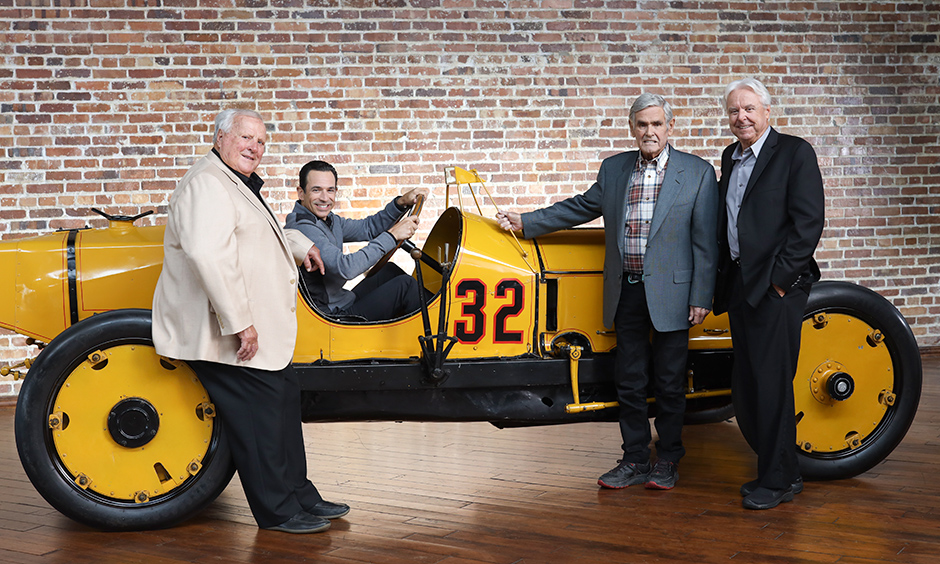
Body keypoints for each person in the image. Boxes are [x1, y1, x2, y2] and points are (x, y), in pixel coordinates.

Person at [496, 93, 718, 490]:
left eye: (656, 124)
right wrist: (527, 221)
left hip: (673, 294)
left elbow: (706, 241)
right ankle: (634, 459)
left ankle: (667, 459)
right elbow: (580, 207)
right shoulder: (614, 169)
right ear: (632, 128)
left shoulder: (698, 172)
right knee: (629, 379)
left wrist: (701, 296)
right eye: (641, 124)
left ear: (670, 127)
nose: (649, 131)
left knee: (668, 382)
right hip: (626, 291)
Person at [152, 109, 349, 534]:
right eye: (245, 138)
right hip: (224, 331)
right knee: (259, 419)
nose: (254, 148)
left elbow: (254, 233)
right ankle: (277, 512)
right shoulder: (207, 183)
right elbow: (209, 255)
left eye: (261, 142)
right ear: (221, 137)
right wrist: (241, 323)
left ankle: (299, 495)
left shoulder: (231, 181)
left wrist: (298, 245)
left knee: (282, 403)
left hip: (257, 331)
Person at [713, 78, 825, 510]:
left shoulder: (795, 153)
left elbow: (808, 223)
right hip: (741, 284)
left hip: (777, 288)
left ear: (766, 111)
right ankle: (783, 471)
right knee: (750, 384)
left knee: (773, 384)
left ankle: (776, 481)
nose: (741, 117)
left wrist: (779, 281)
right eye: (734, 111)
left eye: (749, 109)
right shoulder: (731, 156)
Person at [285, 159, 428, 321]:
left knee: (389, 271)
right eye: (316, 190)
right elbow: (346, 267)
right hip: (329, 316)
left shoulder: (328, 220)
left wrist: (400, 203)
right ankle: (434, 334)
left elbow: (368, 228)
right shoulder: (303, 227)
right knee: (405, 286)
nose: (325, 198)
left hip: (342, 301)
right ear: (301, 192)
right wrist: (392, 236)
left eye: (330, 190)